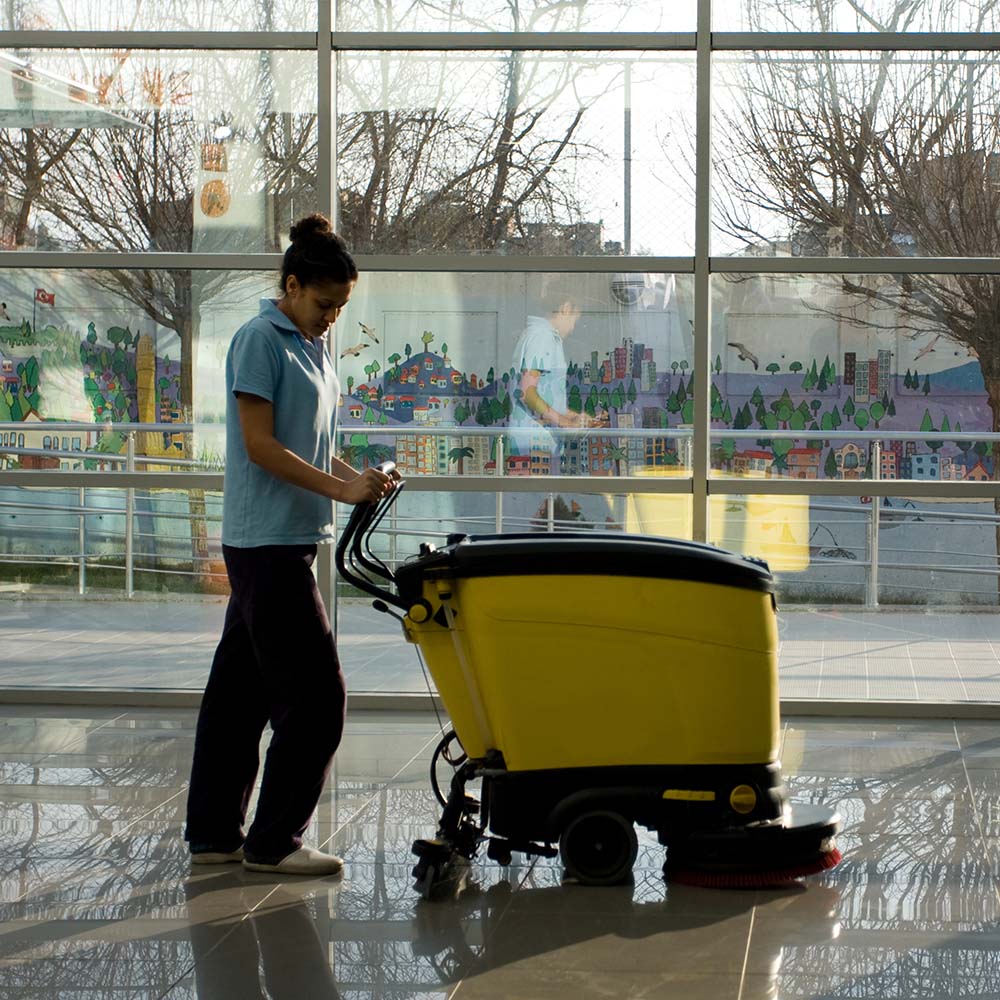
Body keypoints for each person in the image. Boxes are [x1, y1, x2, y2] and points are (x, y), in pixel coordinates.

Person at [184, 214, 394, 876]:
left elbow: (313, 445)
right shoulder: (260, 340)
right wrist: (339, 492)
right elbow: (261, 445)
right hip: (264, 544)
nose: (333, 317)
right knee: (318, 700)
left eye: (341, 307)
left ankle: (214, 834)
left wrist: (356, 477)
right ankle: (275, 842)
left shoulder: (312, 343)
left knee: (238, 699)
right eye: (325, 303)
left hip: (288, 540)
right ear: (294, 284)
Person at [508, 279, 603, 473]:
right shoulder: (542, 336)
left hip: (538, 444)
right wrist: (565, 422)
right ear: (566, 308)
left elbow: (544, 394)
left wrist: (573, 416)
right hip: (532, 447)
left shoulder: (543, 336)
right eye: (575, 319)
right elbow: (527, 392)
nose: (574, 327)